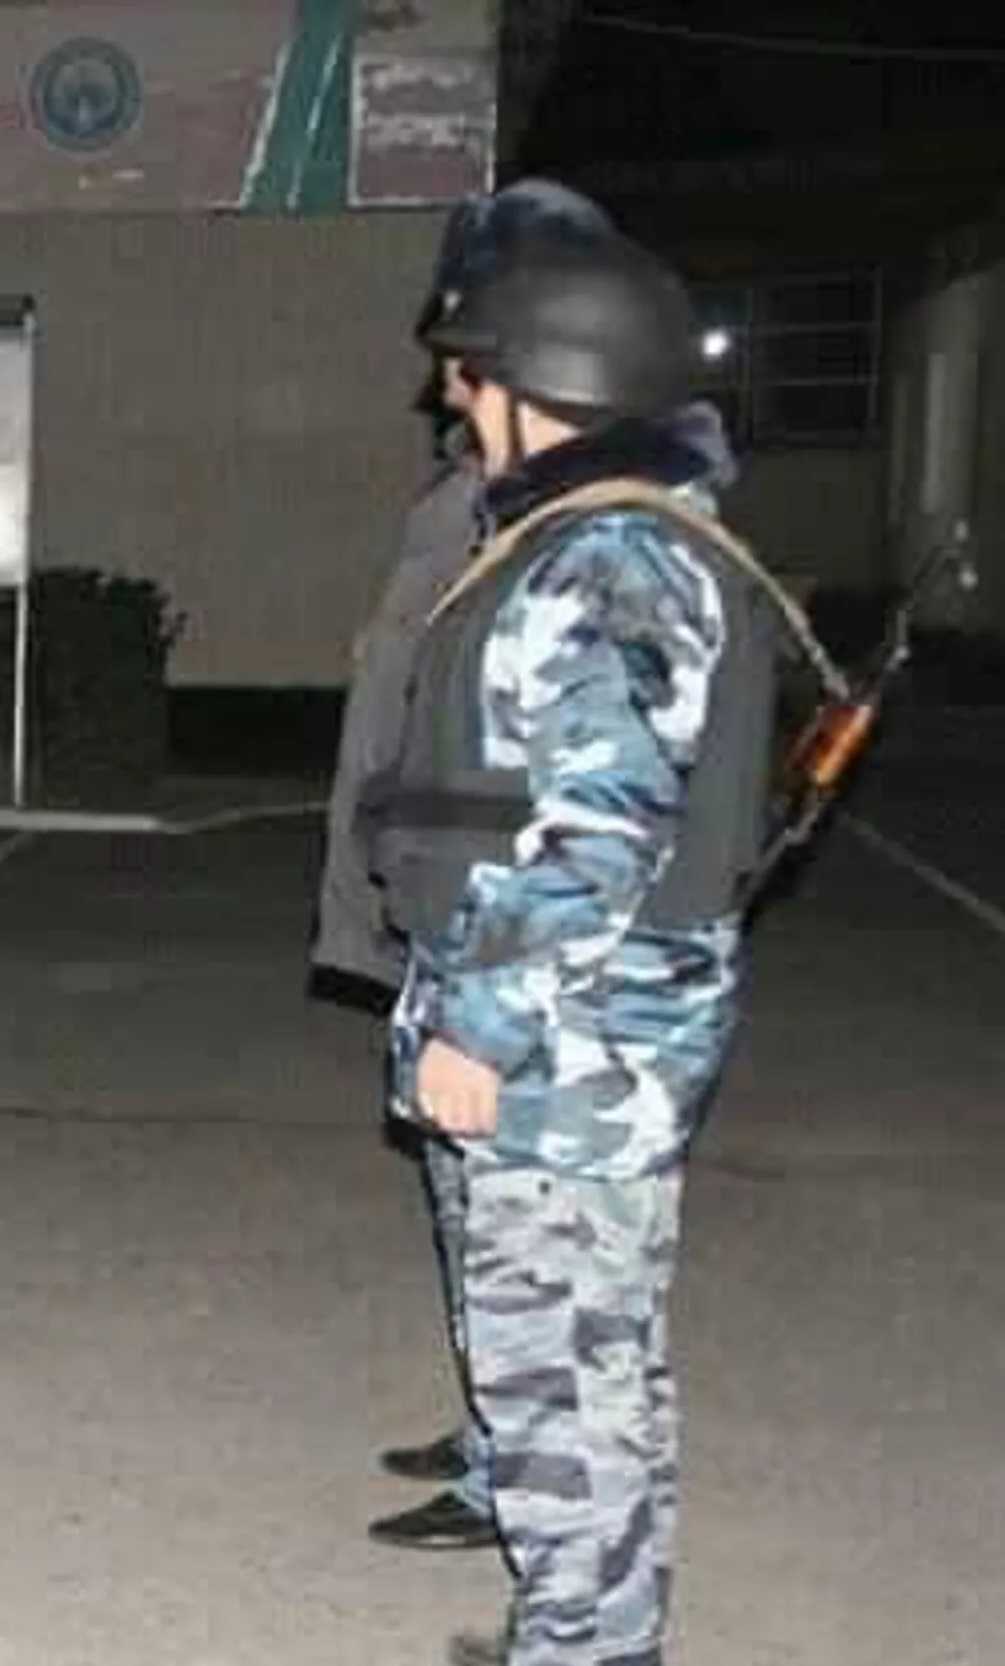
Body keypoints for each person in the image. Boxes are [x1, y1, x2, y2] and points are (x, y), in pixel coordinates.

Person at [375, 225, 789, 1666]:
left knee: (563, 1365)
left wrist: (481, 1023)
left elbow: (596, 837)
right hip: (594, 1029)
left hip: (569, 1038)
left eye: (472, 379)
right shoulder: (615, 538)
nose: (454, 403)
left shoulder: (609, 562)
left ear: (544, 383)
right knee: (585, 1357)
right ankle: (580, 1619)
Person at [322, 182, 619, 1556]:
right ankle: (501, 1426)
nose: (442, 366)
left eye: (463, 336)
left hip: (509, 930)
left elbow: (579, 786)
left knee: (531, 1240)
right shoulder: (483, 486)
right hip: (455, 900)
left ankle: (531, 1492)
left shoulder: (566, 513)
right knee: (475, 1214)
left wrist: (491, 996)